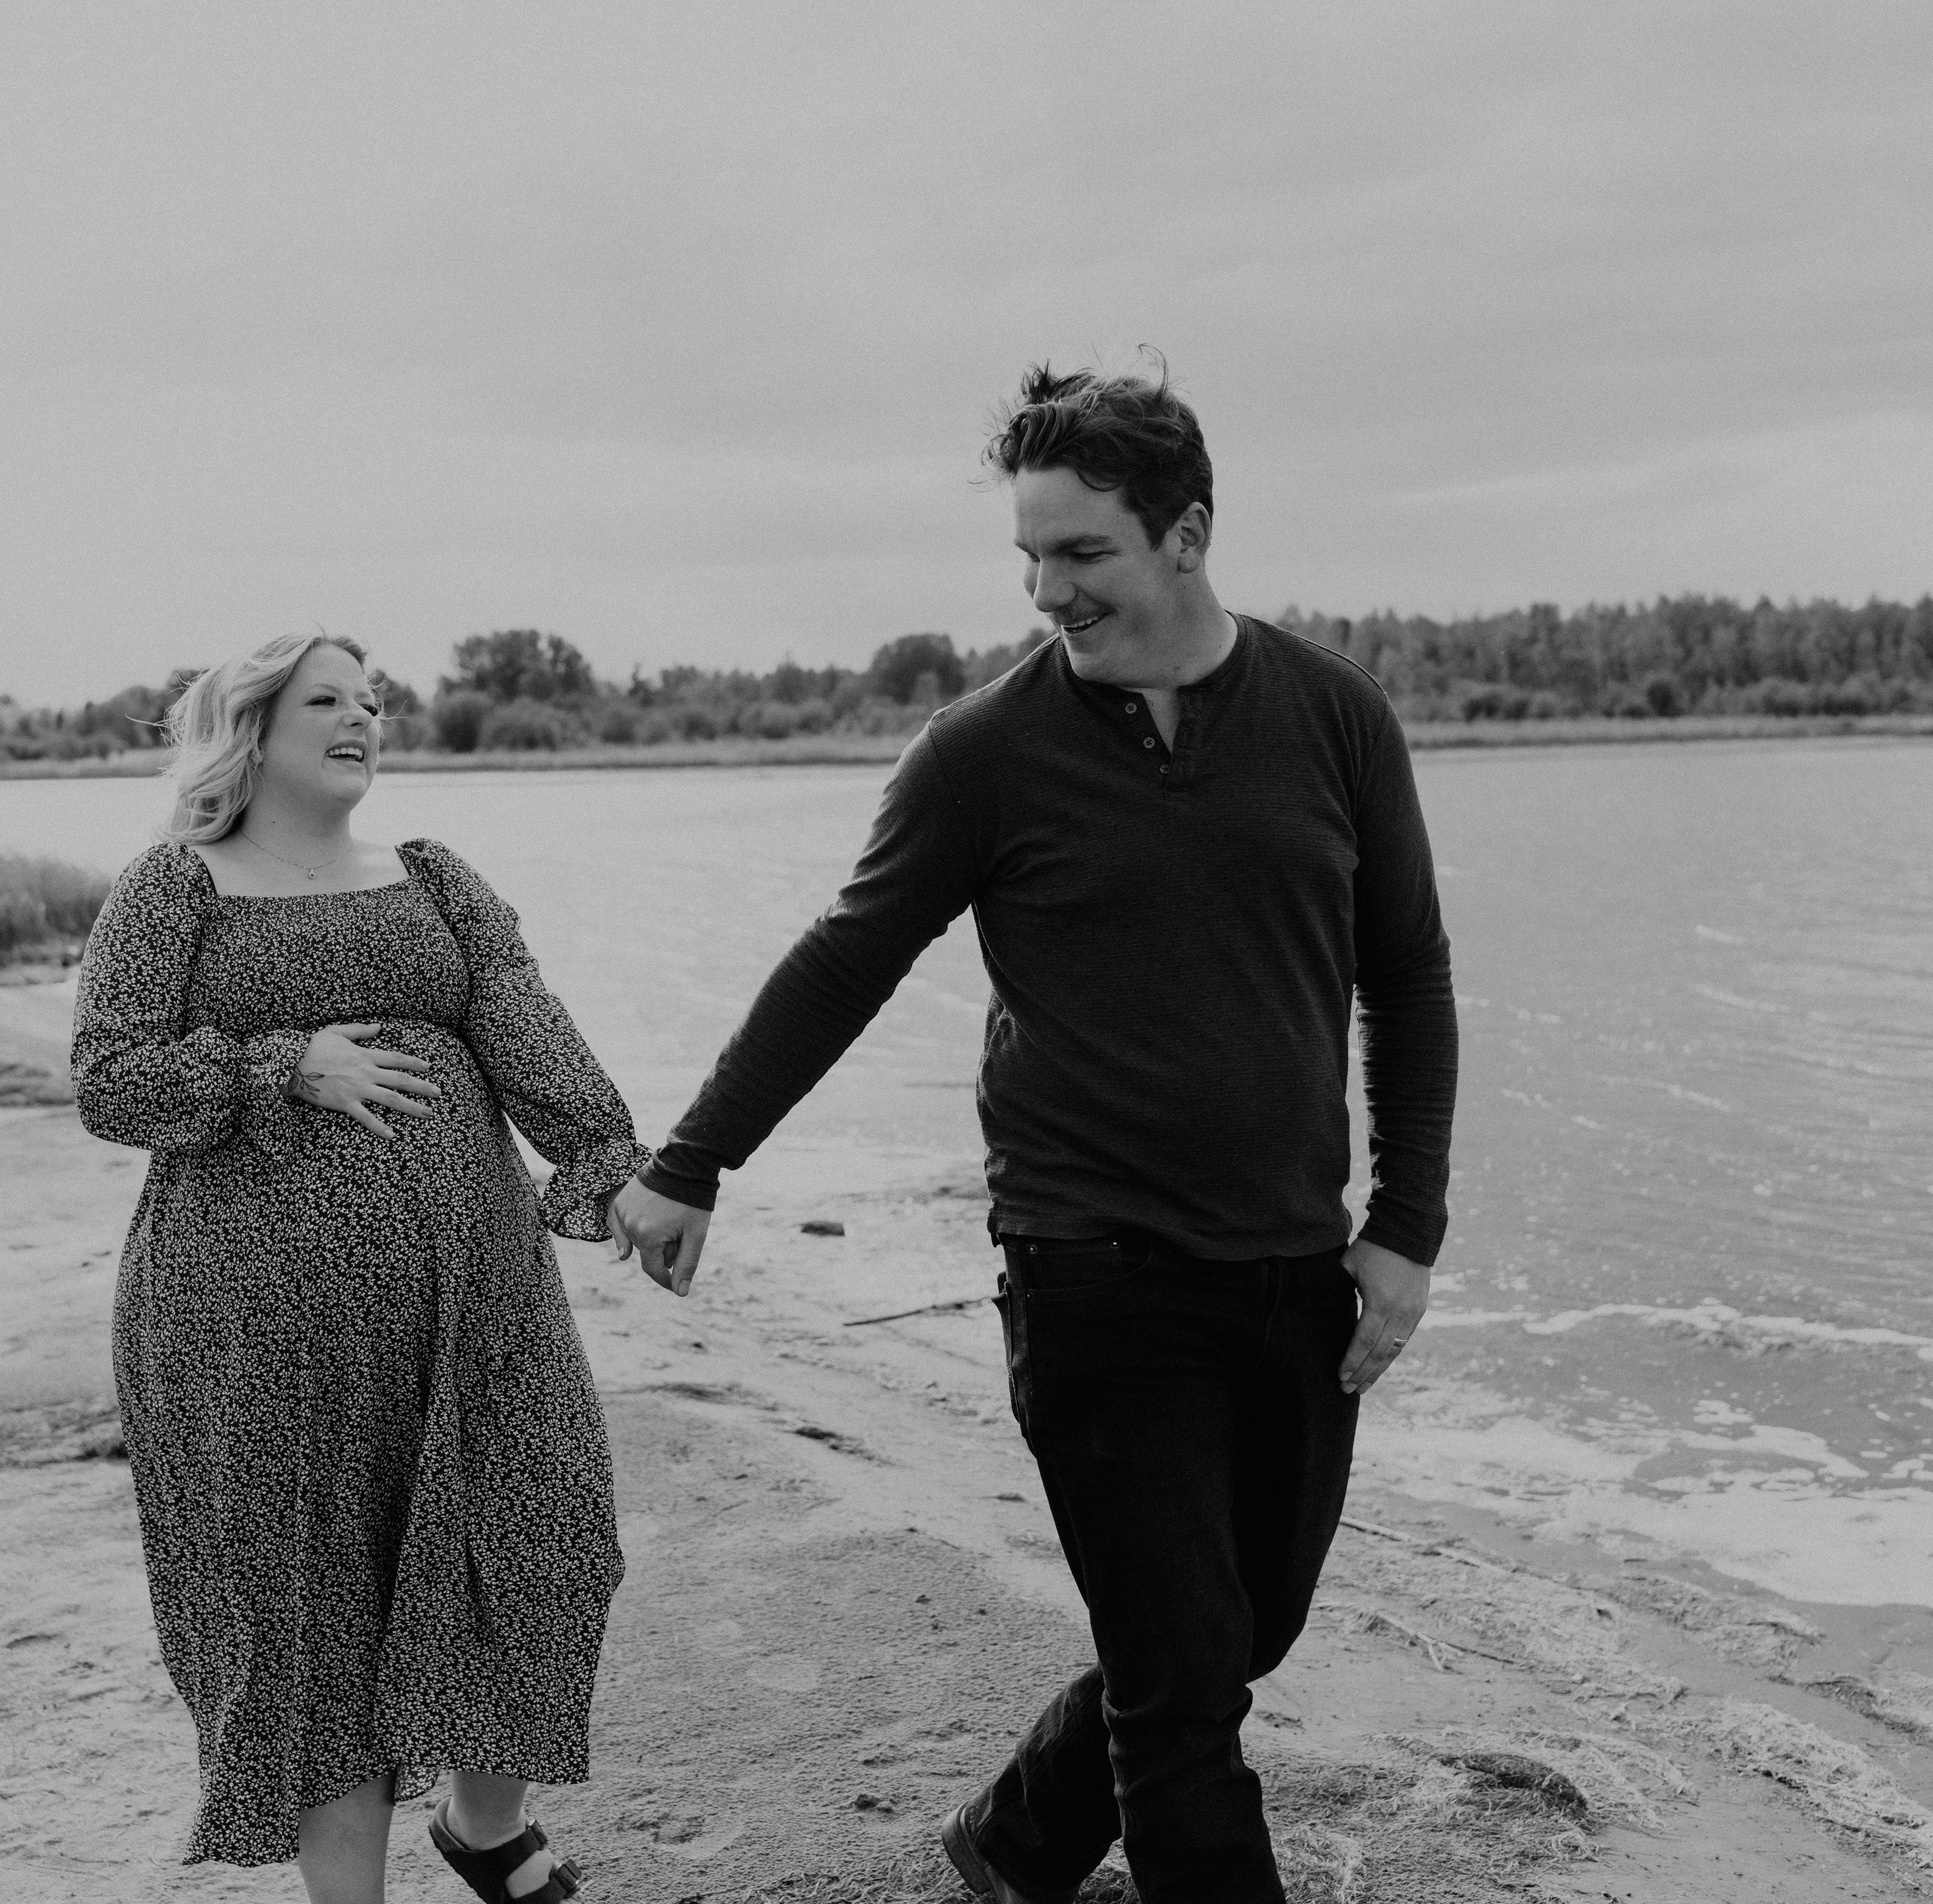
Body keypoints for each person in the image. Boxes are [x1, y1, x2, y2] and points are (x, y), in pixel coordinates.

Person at [611, 361, 1458, 1903]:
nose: (1048, 590)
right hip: (1091, 1273)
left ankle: (1014, 1843)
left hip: (1293, 1266)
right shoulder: (986, 752)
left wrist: (1407, 1227)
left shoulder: (1336, 718)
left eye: (1083, 553)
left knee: (1239, 1630)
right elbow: (846, 956)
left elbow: (1406, 974)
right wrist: (693, 1161)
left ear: (1187, 533)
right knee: (1186, 1698)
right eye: (1029, 556)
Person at [73, 631, 643, 1904]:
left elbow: (523, 1021)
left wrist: (614, 1166)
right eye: (328, 700)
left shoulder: (434, 875)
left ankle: (485, 1829)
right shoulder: (177, 886)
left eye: (374, 702)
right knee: (315, 1603)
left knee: (553, 1537)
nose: (364, 719)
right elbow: (109, 1081)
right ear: (254, 729)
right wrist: (285, 1066)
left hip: (479, 1293)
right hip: (254, 1316)